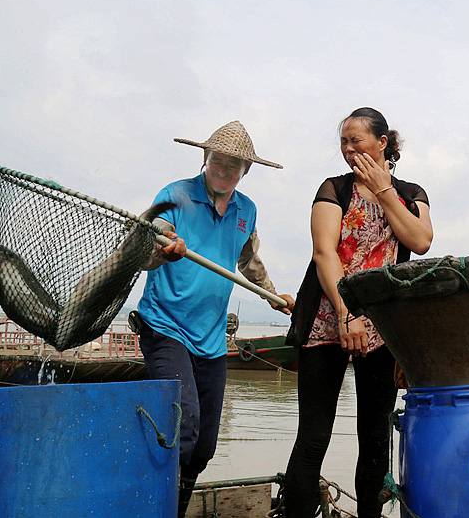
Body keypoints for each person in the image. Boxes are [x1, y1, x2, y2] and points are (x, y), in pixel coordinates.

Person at [281, 107, 433, 517]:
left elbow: (420, 241)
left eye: (356, 141)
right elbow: (324, 252)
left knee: (374, 436)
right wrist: (346, 313)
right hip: (327, 318)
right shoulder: (334, 188)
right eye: (344, 142)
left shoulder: (410, 193)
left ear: (382, 143)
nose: (348, 149)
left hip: (382, 327)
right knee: (313, 437)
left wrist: (385, 192)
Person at [137, 120, 289, 517]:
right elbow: (147, 242)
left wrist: (272, 296)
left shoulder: (246, 210)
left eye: (233, 166)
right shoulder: (175, 195)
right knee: (183, 428)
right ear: (206, 158)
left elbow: (247, 259)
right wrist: (163, 247)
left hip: (211, 338)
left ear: (245, 170)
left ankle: (173, 508)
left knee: (203, 447)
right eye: (217, 162)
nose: (223, 171)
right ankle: (152, 505)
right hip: (165, 326)